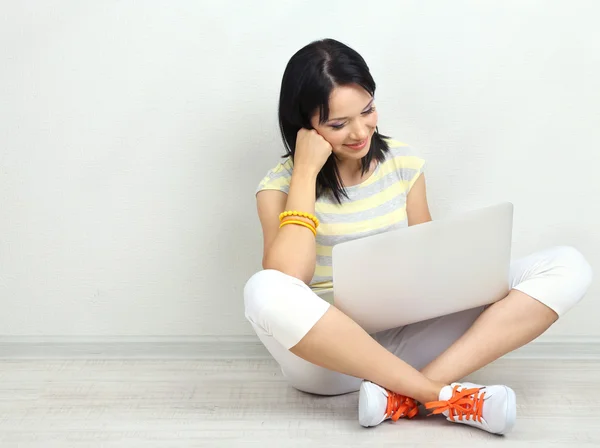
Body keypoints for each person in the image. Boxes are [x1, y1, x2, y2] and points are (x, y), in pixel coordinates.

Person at [243, 38, 593, 435]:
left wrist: (466, 278)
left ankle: (403, 396)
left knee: (568, 264)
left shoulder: (404, 163)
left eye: (368, 110)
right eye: (338, 124)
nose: (360, 132)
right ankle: (438, 395)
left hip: (408, 340)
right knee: (263, 288)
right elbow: (290, 276)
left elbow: (425, 262)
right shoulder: (279, 186)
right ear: (305, 125)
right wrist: (304, 173)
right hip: (329, 364)